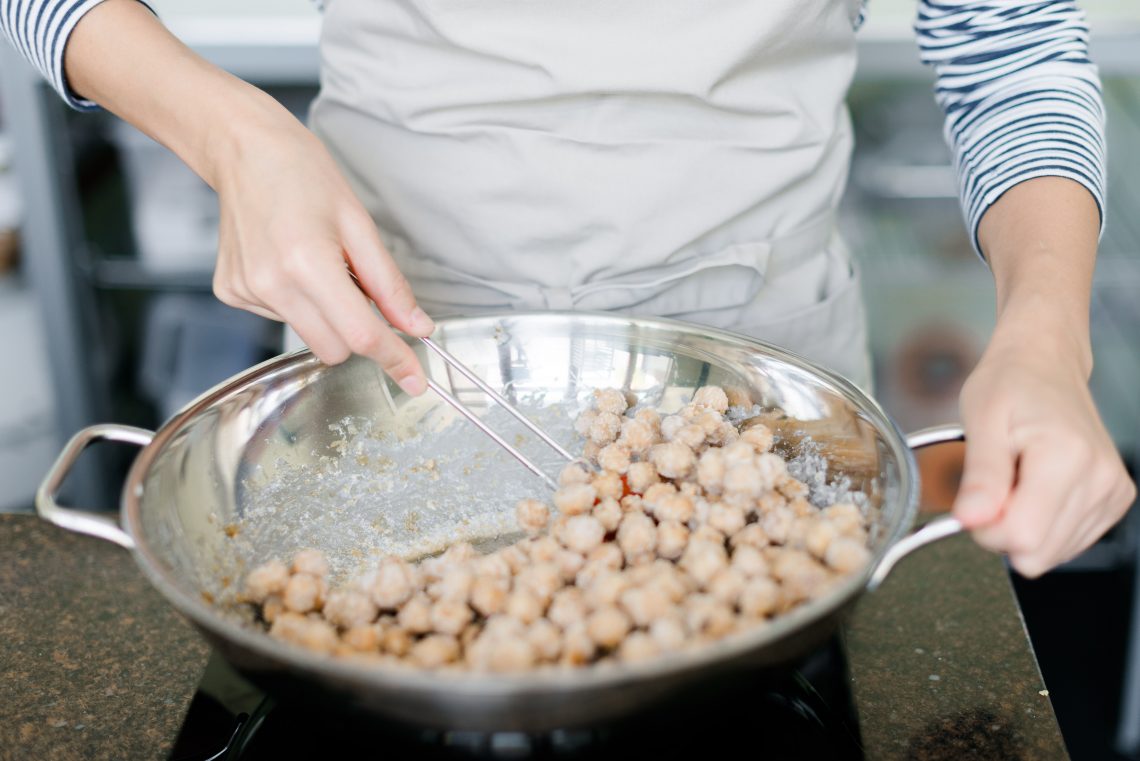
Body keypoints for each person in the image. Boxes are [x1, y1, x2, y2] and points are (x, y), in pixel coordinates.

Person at [1, 0, 1133, 577]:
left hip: (756, 401)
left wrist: (1044, 339)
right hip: (391, 385)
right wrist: (234, 135)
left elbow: (1009, 46)